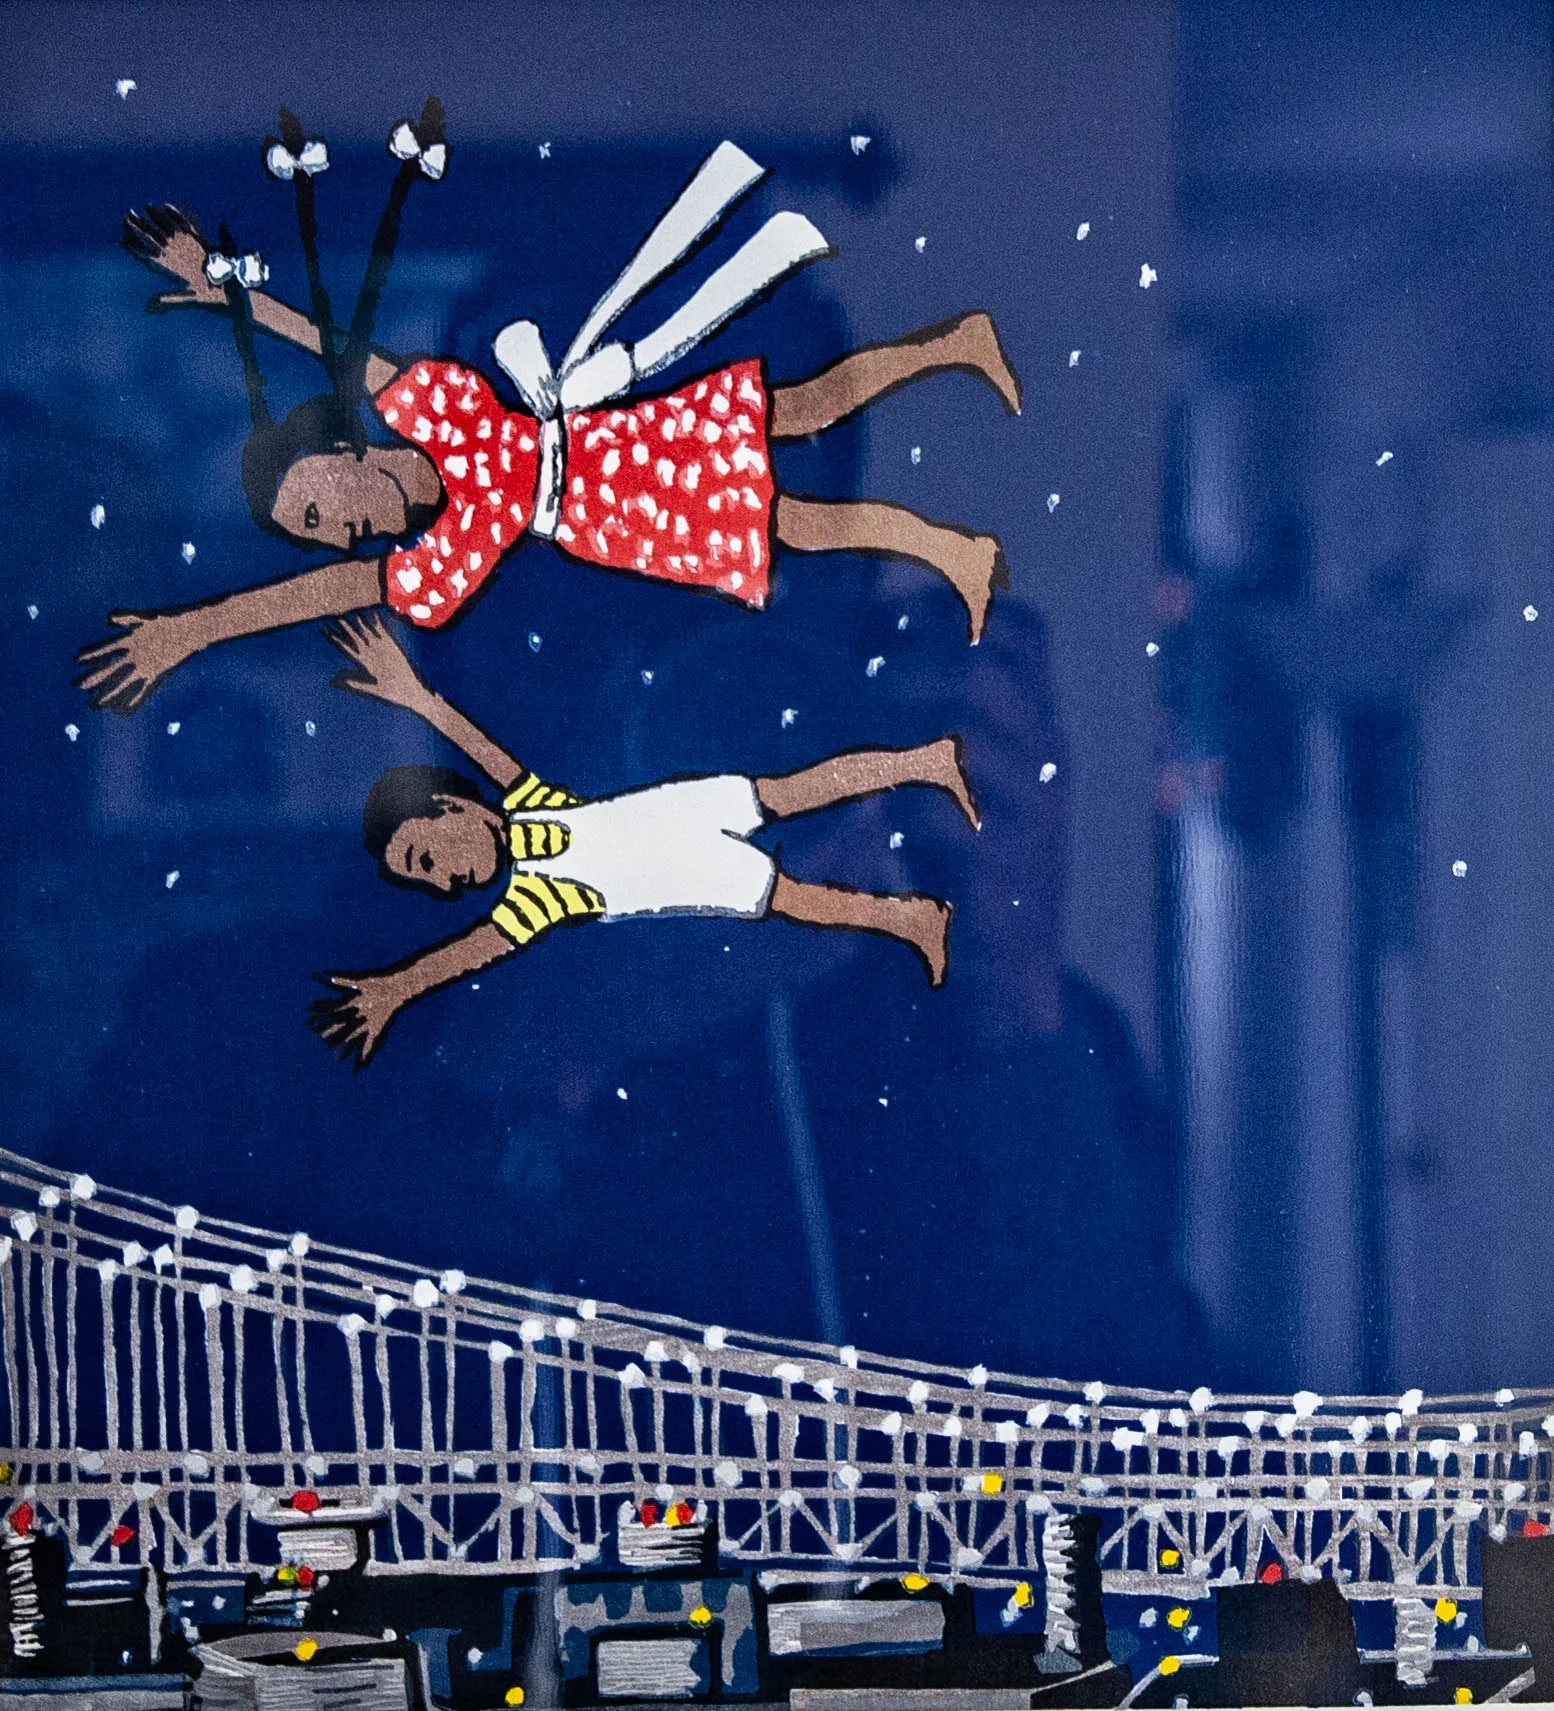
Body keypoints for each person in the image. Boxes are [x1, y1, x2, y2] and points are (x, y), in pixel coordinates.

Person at [77, 129, 1022, 715]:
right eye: (321, 531)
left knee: (796, 423)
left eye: (320, 499)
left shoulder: (441, 401)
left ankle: (950, 347)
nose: (342, 523)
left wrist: (228, 290)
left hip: (640, 451)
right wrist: (190, 632)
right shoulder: (443, 571)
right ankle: (946, 539)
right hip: (644, 525)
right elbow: (315, 597)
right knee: (785, 518)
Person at [309, 615, 980, 1067]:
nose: (446, 871)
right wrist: (400, 988)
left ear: (454, 805)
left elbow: (482, 750)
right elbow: (469, 957)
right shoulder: (527, 906)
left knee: (789, 796)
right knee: (787, 884)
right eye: (428, 875)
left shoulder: (526, 798)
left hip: (687, 811)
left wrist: (416, 694)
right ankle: (908, 904)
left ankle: (923, 765)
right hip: (695, 864)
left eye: (427, 851)